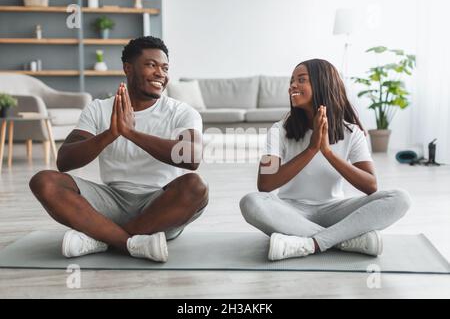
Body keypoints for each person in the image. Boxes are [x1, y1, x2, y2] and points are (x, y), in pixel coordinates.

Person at [29, 36, 208, 263]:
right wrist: (111, 134)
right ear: (127, 68)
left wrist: (131, 133)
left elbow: (191, 158)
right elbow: (64, 161)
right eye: (151, 65)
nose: (160, 74)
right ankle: (129, 243)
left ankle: (101, 238)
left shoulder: (182, 112)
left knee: (196, 186)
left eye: (165, 67)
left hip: (160, 207)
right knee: (44, 181)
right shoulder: (99, 109)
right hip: (110, 201)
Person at [240, 59, 411, 261]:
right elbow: (265, 185)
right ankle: (344, 239)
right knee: (251, 202)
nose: (292, 85)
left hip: (336, 211)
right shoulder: (279, 130)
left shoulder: (352, 132)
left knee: (400, 198)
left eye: (301, 80)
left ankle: (309, 243)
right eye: (292, 80)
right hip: (291, 212)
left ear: (322, 84)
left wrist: (328, 152)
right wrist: (312, 149)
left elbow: (370, 186)